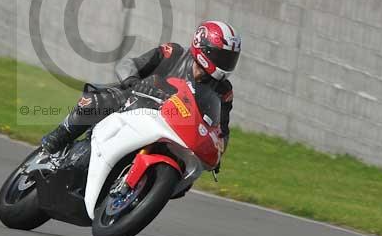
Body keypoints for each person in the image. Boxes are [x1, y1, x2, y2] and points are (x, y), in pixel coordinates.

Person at [41, 21, 241, 173]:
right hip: (138, 106)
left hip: (175, 132)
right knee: (101, 100)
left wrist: (216, 150)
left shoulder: (223, 91)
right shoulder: (174, 53)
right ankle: (60, 135)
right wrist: (133, 82)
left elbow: (221, 132)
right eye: (222, 56)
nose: (226, 63)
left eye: (230, 58)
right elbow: (129, 64)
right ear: (202, 47)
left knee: (187, 172)